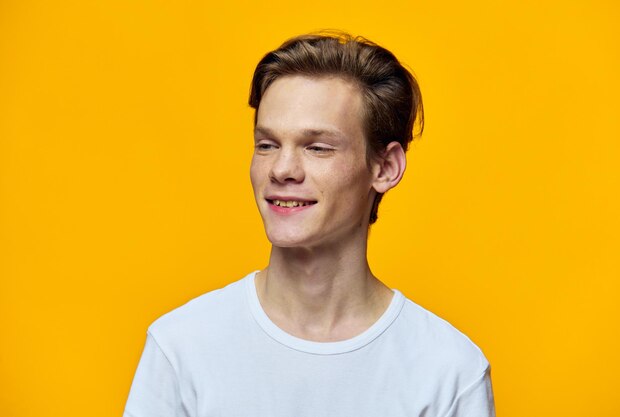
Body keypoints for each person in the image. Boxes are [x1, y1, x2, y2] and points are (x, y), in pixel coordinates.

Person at [123, 31, 495, 417]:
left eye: (317, 147)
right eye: (267, 145)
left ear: (385, 168)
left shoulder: (450, 371)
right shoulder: (181, 348)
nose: (282, 169)